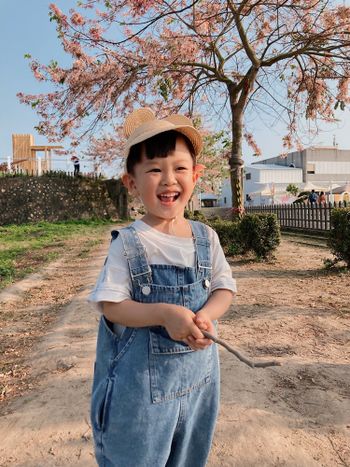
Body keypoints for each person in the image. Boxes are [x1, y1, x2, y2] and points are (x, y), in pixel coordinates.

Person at [88, 108, 236, 467]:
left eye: (179, 168)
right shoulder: (129, 242)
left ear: (196, 175)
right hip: (139, 396)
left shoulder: (206, 237)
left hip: (199, 389)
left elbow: (223, 288)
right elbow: (112, 305)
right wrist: (163, 313)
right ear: (131, 183)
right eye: (154, 170)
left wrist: (206, 315)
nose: (169, 179)